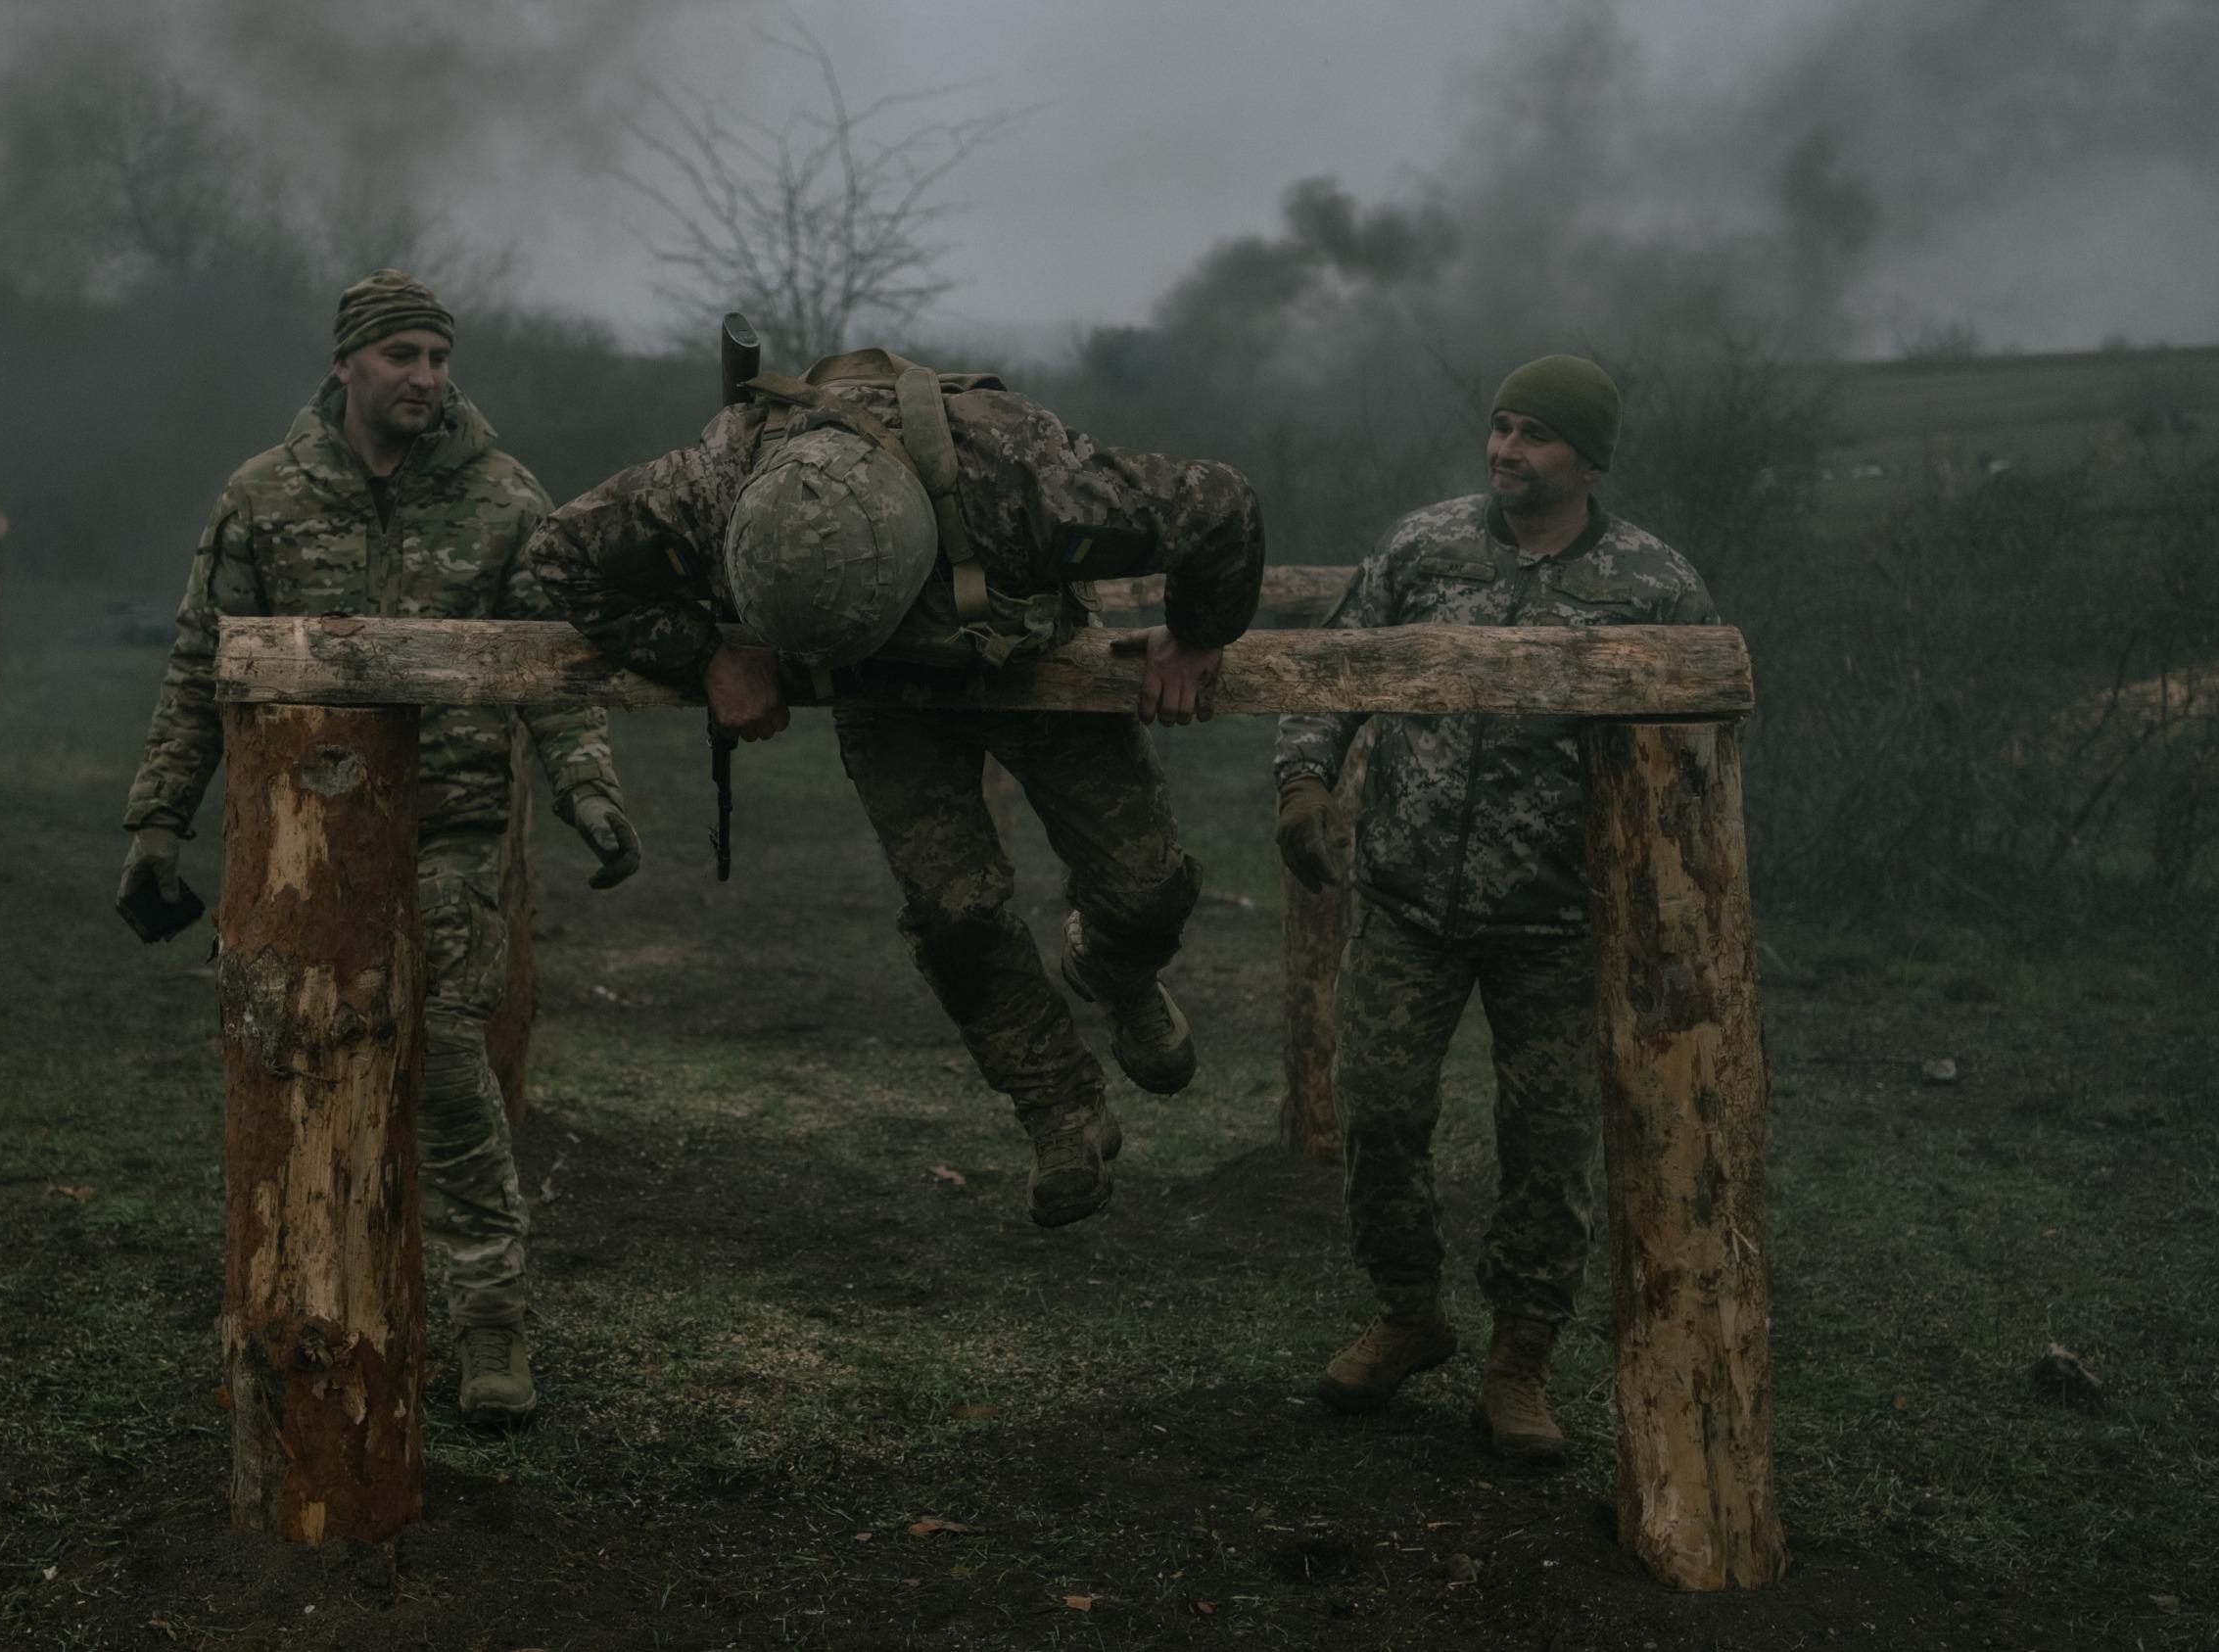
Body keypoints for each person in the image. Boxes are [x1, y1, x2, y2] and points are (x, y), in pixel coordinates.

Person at [529, 347, 1263, 1227]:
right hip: (878, 701)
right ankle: (1060, 1111)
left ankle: (1115, 969)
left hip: (1032, 665)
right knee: (954, 913)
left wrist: (1196, 635)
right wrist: (710, 656)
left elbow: (1221, 507)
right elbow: (562, 553)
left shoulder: (1019, 476)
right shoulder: (714, 482)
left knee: (1144, 888)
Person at [117, 269, 641, 1429]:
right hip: (296, 838)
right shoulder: (261, 499)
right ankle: (307, 1306)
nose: (426, 378)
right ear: (348, 364)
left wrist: (588, 792)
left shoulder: (505, 501)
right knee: (294, 1051)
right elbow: (200, 669)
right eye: (404, 355)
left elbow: (553, 668)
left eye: (440, 359)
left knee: (445, 1060)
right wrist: (159, 821)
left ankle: (493, 1323)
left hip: (447, 828)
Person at [1272, 354, 1719, 1463]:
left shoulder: (1652, 584)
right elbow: (1334, 665)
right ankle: (1410, 1313)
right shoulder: (1426, 548)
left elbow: (1704, 738)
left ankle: (1519, 1363)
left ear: (1588, 458)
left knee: (1551, 1147)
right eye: (1500, 427)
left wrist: (1676, 888)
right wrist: (1303, 780)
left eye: (1534, 435)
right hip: (1408, 899)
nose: (1505, 450)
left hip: (1560, 926)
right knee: (1375, 1113)